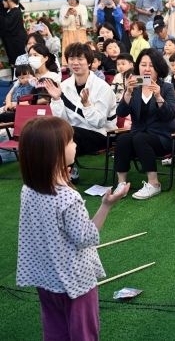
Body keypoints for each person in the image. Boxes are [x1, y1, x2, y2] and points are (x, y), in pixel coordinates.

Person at [16, 116, 129, 341]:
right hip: (75, 281)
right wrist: (106, 205)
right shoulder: (67, 197)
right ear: (54, 153)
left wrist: (62, 177)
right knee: (83, 334)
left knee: (55, 330)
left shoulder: (28, 189)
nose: (75, 144)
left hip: (45, 277)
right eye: (70, 141)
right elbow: (86, 237)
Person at [44, 43, 117, 181]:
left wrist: (87, 105)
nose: (75, 63)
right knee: (52, 131)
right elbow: (61, 121)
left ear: (89, 62)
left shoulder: (102, 87)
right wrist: (57, 99)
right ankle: (59, 172)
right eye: (72, 59)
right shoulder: (64, 86)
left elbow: (99, 122)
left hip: (101, 135)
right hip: (72, 134)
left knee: (66, 133)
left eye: (80, 59)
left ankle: (64, 173)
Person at [113, 48, 175, 200]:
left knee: (140, 138)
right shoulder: (135, 87)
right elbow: (121, 112)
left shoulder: (166, 87)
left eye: (151, 65)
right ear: (138, 67)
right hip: (138, 134)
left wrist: (158, 96)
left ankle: (154, 183)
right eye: (143, 65)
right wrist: (128, 93)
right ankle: (121, 184)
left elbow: (170, 115)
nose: (147, 69)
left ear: (158, 68)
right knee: (123, 139)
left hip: (161, 137)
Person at [59, 0, 89, 66]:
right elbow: (62, 23)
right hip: (68, 33)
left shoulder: (82, 7)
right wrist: (67, 14)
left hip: (80, 33)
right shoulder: (64, 7)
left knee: (81, 52)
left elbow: (84, 22)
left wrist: (77, 14)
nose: (71, 1)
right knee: (69, 52)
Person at [0, 0, 27, 66]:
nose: (2, 2)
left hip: (16, 46)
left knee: (19, 66)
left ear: (9, 0)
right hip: (13, 45)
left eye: (3, 0)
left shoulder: (15, 12)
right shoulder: (12, 10)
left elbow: (5, 24)